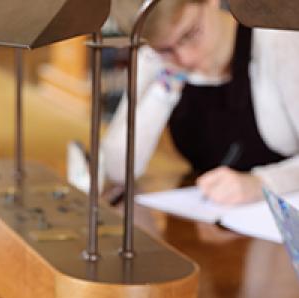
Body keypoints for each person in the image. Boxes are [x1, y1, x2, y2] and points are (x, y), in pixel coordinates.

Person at [103, 0, 299, 205]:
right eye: (165, 48)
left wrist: (261, 183)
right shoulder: (158, 60)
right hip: (209, 216)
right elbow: (118, 169)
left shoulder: (277, 43)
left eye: (190, 34)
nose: (186, 58)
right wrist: (163, 88)